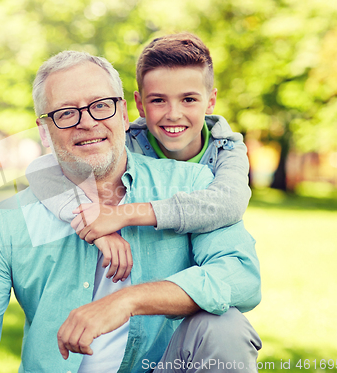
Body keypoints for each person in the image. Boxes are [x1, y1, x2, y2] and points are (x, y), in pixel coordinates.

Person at [0, 50, 261, 373]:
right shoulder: (11, 219)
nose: (87, 122)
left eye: (101, 106)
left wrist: (127, 301)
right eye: (66, 113)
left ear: (126, 114)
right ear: (44, 130)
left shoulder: (192, 183)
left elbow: (241, 278)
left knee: (225, 327)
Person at [26, 32, 251, 283]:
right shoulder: (125, 138)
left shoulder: (226, 149)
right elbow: (43, 171)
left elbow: (230, 202)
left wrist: (122, 214)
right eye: (158, 100)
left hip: (203, 259)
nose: (173, 114)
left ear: (210, 102)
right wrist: (93, 226)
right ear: (139, 105)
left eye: (188, 99)